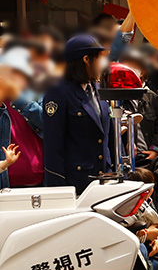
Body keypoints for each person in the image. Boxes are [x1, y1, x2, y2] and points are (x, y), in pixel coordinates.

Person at [43, 34, 113, 193]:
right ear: (86, 59)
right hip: (76, 182)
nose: (103, 63)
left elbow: (107, 135)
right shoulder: (58, 92)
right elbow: (53, 145)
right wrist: (58, 190)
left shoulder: (98, 89)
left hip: (104, 180)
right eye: (99, 57)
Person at [0, 47, 34, 189]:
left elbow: (48, 124)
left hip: (38, 176)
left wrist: (18, 97)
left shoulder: (36, 93)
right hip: (5, 179)